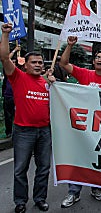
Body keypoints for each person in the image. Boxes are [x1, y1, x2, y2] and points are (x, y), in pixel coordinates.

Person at [59, 36, 101, 208]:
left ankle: (97, 188)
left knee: (98, 159)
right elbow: (63, 64)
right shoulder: (84, 74)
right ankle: (73, 192)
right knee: (79, 159)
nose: (100, 60)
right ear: (93, 62)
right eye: (97, 58)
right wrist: (70, 46)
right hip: (83, 127)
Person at [1, 23, 55, 213]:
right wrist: (5, 35)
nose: (39, 65)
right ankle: (20, 201)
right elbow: (4, 58)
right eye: (34, 62)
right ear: (26, 64)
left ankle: (40, 198)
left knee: (43, 168)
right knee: (20, 169)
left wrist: (53, 83)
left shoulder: (48, 83)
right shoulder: (17, 77)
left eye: (41, 62)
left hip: (45, 131)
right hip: (23, 131)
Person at [2, 45, 21, 138]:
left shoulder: (19, 73)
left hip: (17, 97)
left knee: (17, 115)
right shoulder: (7, 71)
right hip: (8, 96)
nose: (12, 63)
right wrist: (15, 50)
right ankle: (9, 132)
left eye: (14, 62)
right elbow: (5, 59)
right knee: (8, 116)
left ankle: (17, 132)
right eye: (11, 62)